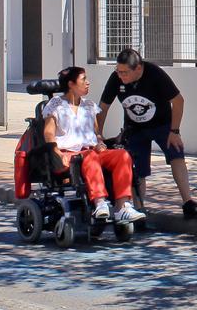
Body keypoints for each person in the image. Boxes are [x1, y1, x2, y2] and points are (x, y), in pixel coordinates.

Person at [97, 48, 197, 220]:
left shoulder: (154, 74)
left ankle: (188, 202)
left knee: (176, 154)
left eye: (125, 72)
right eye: (118, 71)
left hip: (162, 125)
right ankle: (139, 208)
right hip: (134, 127)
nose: (121, 76)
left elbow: (178, 101)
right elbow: (103, 107)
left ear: (138, 68)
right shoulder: (116, 78)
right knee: (137, 168)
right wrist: (98, 134)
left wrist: (174, 131)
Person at [43, 66, 146, 224]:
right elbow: (48, 133)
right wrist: (56, 152)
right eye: (83, 79)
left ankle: (122, 207)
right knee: (90, 156)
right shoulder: (56, 105)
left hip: (92, 152)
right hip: (69, 155)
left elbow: (97, 133)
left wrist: (100, 142)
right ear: (71, 84)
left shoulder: (89, 106)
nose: (88, 82)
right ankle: (99, 203)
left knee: (122, 155)